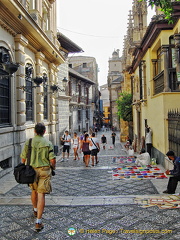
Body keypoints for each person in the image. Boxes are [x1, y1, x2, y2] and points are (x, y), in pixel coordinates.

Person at [20, 123, 56, 231]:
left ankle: (35, 210)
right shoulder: (48, 143)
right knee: (41, 195)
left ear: (35, 131)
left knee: (33, 190)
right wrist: (53, 168)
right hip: (44, 170)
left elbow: (23, 158)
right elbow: (52, 160)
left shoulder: (29, 142)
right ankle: (38, 222)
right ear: (44, 131)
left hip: (32, 171)